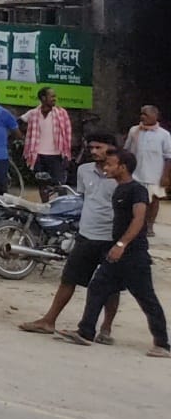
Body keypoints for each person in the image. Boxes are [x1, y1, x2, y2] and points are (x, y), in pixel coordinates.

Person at [56, 149, 169, 357]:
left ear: (122, 167)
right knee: (98, 287)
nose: (106, 168)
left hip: (134, 255)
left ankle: (162, 344)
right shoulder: (119, 190)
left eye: (110, 165)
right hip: (117, 253)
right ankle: (86, 332)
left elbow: (138, 220)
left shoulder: (137, 190)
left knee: (146, 297)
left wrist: (121, 244)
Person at [16, 133, 123, 340]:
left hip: (110, 236)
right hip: (86, 234)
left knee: (111, 285)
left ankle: (106, 329)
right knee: (69, 278)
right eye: (91, 147)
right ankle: (49, 320)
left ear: (111, 148)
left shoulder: (121, 174)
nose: (93, 151)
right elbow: (85, 200)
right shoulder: (84, 171)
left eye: (98, 147)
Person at [126, 105, 171, 235]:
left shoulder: (164, 135)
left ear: (155, 116)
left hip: (155, 174)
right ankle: (135, 225)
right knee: (134, 201)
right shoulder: (134, 131)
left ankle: (149, 226)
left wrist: (166, 176)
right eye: (141, 114)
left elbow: (168, 157)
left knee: (154, 201)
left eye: (145, 114)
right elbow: (127, 150)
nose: (142, 117)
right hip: (135, 173)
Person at [21, 87, 73, 189]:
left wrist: (67, 154)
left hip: (56, 156)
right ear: (43, 98)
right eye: (52, 96)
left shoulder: (62, 113)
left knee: (60, 185)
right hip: (38, 156)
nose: (54, 98)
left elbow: (68, 134)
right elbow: (17, 123)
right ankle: (45, 204)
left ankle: (60, 204)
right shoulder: (33, 113)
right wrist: (24, 138)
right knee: (43, 186)